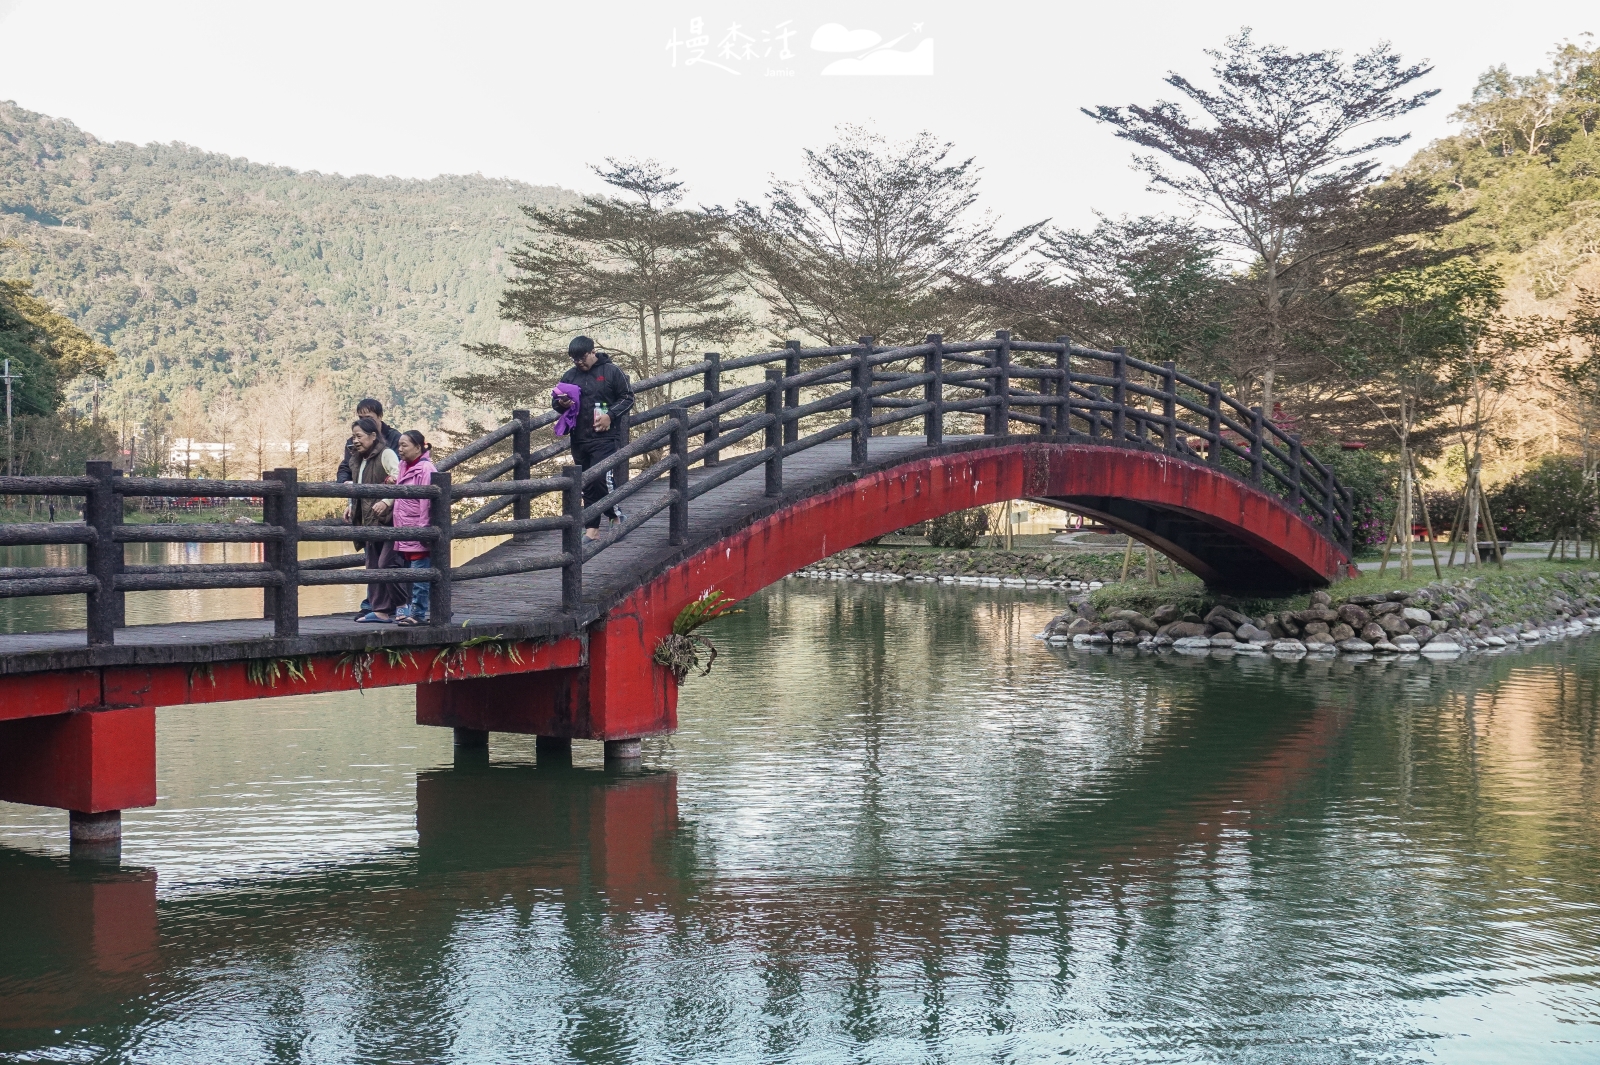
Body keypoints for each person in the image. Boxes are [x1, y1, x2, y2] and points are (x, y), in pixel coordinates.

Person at [551, 336, 634, 541]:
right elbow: (556, 402)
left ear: (592, 352)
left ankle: (615, 515)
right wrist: (562, 404)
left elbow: (628, 398)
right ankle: (592, 529)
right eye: (574, 359)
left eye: (582, 357)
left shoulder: (612, 371)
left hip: (604, 436)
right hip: (579, 437)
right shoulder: (570, 375)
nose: (579, 362)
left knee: (600, 478)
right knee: (586, 483)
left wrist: (610, 416)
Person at [343, 417, 406, 623]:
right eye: (354, 436)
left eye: (359, 436)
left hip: (388, 520)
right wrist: (351, 506)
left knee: (386, 564)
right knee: (372, 566)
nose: (356, 440)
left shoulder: (387, 454)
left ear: (372, 436)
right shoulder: (358, 459)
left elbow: (400, 480)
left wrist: (387, 501)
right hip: (368, 521)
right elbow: (360, 489)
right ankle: (381, 611)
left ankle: (403, 605)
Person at [391, 430, 436, 626]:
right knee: (411, 574)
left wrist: (423, 529)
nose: (400, 449)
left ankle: (418, 614)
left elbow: (426, 502)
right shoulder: (403, 466)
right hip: (404, 528)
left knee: (420, 576)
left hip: (418, 529)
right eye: (399, 445)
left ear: (418, 447)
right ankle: (415, 610)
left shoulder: (426, 469)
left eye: (404, 445)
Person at [336, 398, 401, 484]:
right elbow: (346, 466)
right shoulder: (352, 442)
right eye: (360, 418)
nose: (364, 421)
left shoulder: (395, 438)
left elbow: (400, 468)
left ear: (380, 416)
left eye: (368, 417)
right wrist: (344, 482)